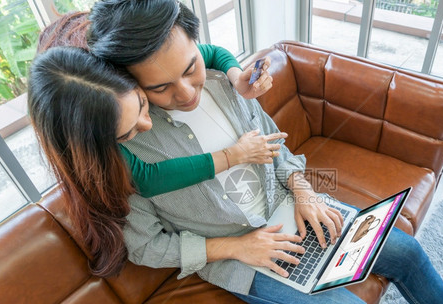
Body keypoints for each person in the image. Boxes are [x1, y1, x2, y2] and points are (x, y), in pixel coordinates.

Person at [31, 1, 443, 304]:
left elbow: (276, 146)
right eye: (158, 89)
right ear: (127, 78)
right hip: (243, 255)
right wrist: (238, 245)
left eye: (189, 68)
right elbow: (145, 247)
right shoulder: (124, 145)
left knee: (406, 252)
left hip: (290, 202)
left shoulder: (226, 79)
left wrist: (303, 189)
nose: (187, 94)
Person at [36, 10, 284, 198]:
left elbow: (210, 53)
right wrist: (234, 155)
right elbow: (147, 180)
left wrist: (236, 77)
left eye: (142, 104)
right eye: (128, 132)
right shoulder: (98, 142)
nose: (147, 123)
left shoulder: (150, 65)